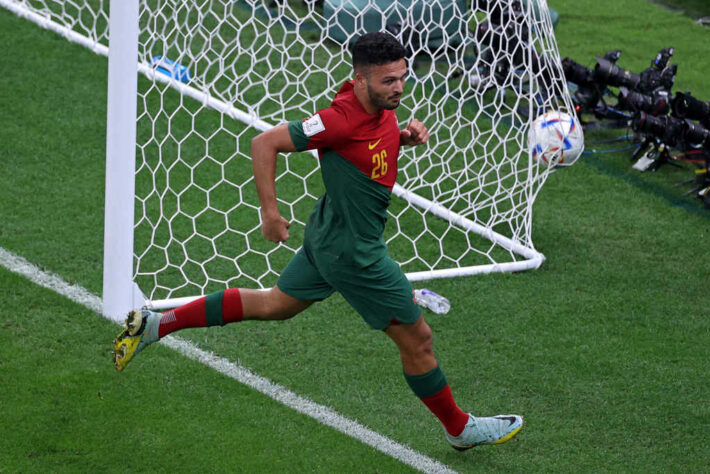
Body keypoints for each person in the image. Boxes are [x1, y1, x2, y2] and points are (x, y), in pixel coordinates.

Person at [112, 32, 523, 450]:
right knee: (418, 340)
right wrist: (269, 213)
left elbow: (366, 145)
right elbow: (264, 142)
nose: (398, 88)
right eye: (388, 82)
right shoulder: (338, 120)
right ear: (359, 80)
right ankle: (459, 428)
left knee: (274, 304)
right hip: (356, 255)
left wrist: (402, 138)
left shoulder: (372, 104)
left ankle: (156, 324)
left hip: (327, 236)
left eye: (402, 78)